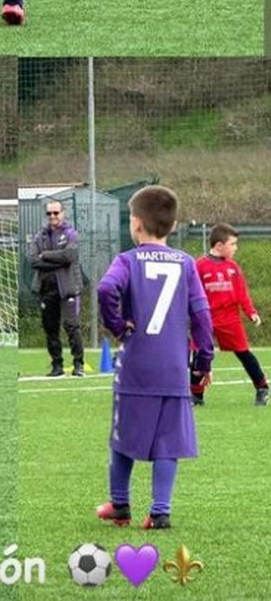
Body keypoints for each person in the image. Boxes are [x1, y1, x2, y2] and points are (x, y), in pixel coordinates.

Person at [96, 185, 214, 530]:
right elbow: (201, 316)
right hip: (174, 367)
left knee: (122, 436)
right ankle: (160, 511)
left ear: (135, 223)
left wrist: (118, 325)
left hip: (136, 366)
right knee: (168, 440)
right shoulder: (186, 263)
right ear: (173, 225)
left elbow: (105, 289)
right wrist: (203, 362)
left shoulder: (127, 260)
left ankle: (120, 505)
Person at [191, 223, 268, 407]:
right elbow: (192, 292)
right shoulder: (199, 266)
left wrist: (251, 312)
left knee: (244, 353)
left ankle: (262, 387)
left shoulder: (233, 267)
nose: (235, 248)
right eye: (232, 244)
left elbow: (242, 293)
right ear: (219, 245)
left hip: (230, 319)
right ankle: (196, 396)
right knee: (199, 354)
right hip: (206, 319)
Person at [28, 201, 84, 376]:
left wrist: (45, 255)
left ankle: (78, 364)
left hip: (67, 288)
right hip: (46, 289)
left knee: (71, 326)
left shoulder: (70, 233)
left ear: (63, 213)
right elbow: (32, 259)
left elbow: (69, 255)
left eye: (55, 213)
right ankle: (57, 366)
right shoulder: (40, 236)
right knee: (50, 328)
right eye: (49, 213)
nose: (52, 216)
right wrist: (56, 261)